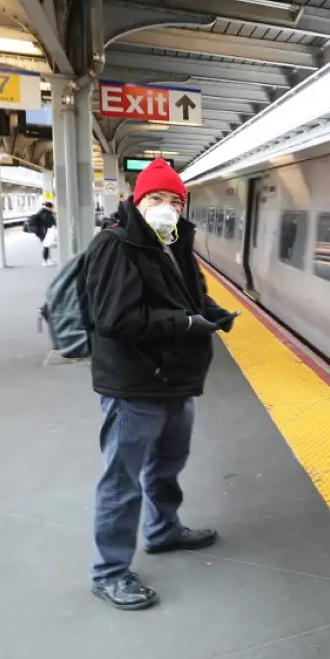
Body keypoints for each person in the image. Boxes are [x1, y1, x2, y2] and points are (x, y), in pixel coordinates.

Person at [82, 157, 240, 610]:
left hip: (175, 381)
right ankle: (108, 572)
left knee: (167, 465)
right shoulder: (115, 246)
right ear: (138, 200)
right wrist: (185, 324)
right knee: (122, 481)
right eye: (157, 198)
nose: (167, 206)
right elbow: (115, 320)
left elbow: (191, 297)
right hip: (134, 386)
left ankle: (162, 530)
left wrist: (209, 313)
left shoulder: (175, 243)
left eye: (175, 199)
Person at [28, 201, 56, 266]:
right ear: (50, 207)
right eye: (52, 207)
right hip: (45, 232)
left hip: (42, 232)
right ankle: (45, 261)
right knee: (46, 246)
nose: (53, 208)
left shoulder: (42, 212)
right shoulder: (46, 213)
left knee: (47, 245)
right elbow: (49, 224)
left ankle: (48, 260)